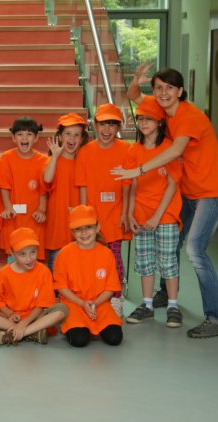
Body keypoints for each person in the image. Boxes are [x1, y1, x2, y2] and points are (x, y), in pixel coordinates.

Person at [112, 64, 218, 338]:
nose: (163, 93)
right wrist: (136, 81)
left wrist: (139, 170)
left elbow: (176, 149)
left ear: (180, 91)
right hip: (188, 192)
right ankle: (166, 294)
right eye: (158, 88)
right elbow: (133, 96)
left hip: (210, 192)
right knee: (172, 244)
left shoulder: (189, 116)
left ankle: (217, 317)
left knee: (195, 250)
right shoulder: (163, 109)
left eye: (169, 88)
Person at [123, 96, 183, 328]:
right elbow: (131, 185)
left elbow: (172, 184)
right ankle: (147, 305)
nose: (143, 123)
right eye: (140, 119)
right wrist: (130, 213)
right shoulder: (133, 150)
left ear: (159, 121)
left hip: (165, 215)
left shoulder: (169, 148)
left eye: (149, 119)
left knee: (168, 262)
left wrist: (157, 216)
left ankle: (173, 306)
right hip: (140, 215)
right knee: (145, 262)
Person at [75, 104, 131, 317]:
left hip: (115, 215)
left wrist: (126, 212)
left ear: (118, 127)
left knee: (114, 259)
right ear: (95, 125)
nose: (107, 129)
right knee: (90, 259)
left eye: (112, 124)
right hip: (92, 217)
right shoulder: (85, 152)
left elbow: (128, 185)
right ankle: (93, 297)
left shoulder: (126, 149)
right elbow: (82, 186)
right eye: (103, 124)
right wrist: (84, 217)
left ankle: (115, 298)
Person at [0, 227, 67, 345]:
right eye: (22, 254)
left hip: (35, 317)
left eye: (33, 252)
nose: (29, 258)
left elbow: (42, 304)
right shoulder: (4, 273)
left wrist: (23, 324)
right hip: (11, 318)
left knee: (62, 309)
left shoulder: (44, 271)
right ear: (12, 253)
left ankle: (16, 333)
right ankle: (32, 333)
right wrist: (10, 314)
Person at [53, 205, 124, 347]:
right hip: (74, 304)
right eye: (78, 229)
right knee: (79, 340)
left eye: (88, 227)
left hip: (100, 304)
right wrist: (82, 303)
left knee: (115, 338)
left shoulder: (106, 254)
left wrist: (94, 304)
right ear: (72, 232)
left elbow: (110, 288)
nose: (84, 233)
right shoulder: (64, 254)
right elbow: (61, 287)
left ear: (98, 227)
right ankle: (68, 323)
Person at [0, 116, 48, 261]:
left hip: (34, 218)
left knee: (32, 256)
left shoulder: (43, 161)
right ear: (13, 138)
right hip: (13, 218)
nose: (24, 138)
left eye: (29, 134)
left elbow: (44, 189)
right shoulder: (6, 159)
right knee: (14, 256)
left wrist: (42, 210)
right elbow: (4, 186)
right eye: (20, 134)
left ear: (36, 138)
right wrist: (7, 207)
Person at [43, 113, 89, 272]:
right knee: (57, 266)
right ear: (60, 137)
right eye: (68, 134)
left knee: (77, 268)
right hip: (58, 224)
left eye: (77, 135)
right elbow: (47, 178)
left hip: (78, 224)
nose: (72, 138)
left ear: (82, 139)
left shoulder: (83, 161)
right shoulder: (52, 161)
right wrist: (55, 156)